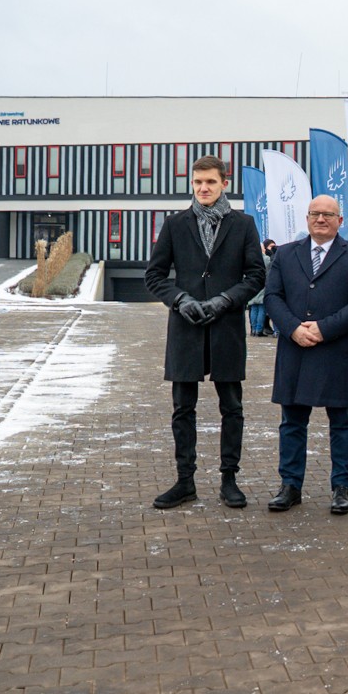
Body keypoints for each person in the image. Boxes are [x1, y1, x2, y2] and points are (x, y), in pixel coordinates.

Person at [144, 155, 266, 510]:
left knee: (232, 407)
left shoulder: (243, 224)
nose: (203, 188)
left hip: (226, 328)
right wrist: (179, 299)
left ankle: (230, 480)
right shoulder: (175, 224)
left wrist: (227, 300)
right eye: (198, 182)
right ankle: (185, 481)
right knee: (183, 408)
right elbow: (154, 276)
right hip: (186, 328)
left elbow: (256, 275)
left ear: (224, 183)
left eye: (210, 182)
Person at [262, 196, 348, 514]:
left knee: (342, 422)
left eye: (328, 214)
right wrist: (293, 328)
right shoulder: (285, 254)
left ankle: (342, 487)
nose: (321, 219)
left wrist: (324, 329)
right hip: (294, 349)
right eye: (315, 214)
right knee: (292, 422)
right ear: (307, 218)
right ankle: (290, 485)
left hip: (335, 350)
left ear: (341, 220)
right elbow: (272, 296)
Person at [247, 243, 271, 336]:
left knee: (253, 308)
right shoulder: (266, 259)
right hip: (262, 285)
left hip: (252, 285)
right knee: (261, 308)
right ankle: (259, 330)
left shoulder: (250, 258)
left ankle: (253, 330)